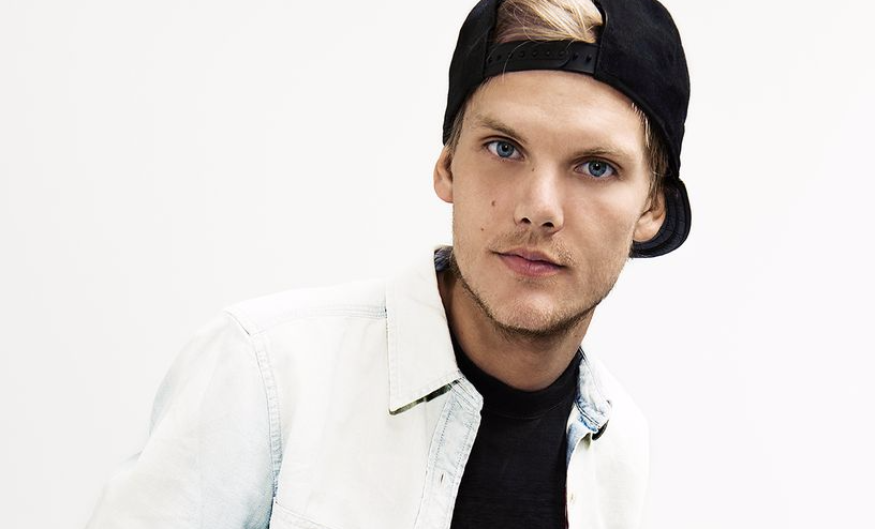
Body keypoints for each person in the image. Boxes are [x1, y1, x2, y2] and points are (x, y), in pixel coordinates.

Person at [86, 0, 691, 527]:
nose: (538, 208)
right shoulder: (266, 375)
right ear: (448, 168)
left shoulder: (618, 443)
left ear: (651, 209)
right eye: (504, 148)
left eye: (596, 167)